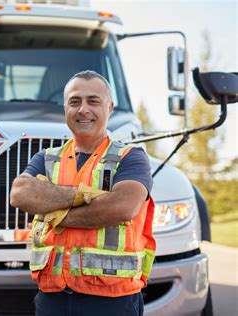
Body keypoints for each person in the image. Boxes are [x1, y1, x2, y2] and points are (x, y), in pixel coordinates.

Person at [10, 70, 156, 316]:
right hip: (53, 297)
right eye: (75, 102)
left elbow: (122, 207)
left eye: (93, 101)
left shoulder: (131, 158)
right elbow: (20, 193)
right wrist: (88, 195)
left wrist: (55, 214)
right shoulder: (45, 158)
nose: (83, 109)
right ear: (65, 108)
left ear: (109, 107)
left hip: (112, 299)